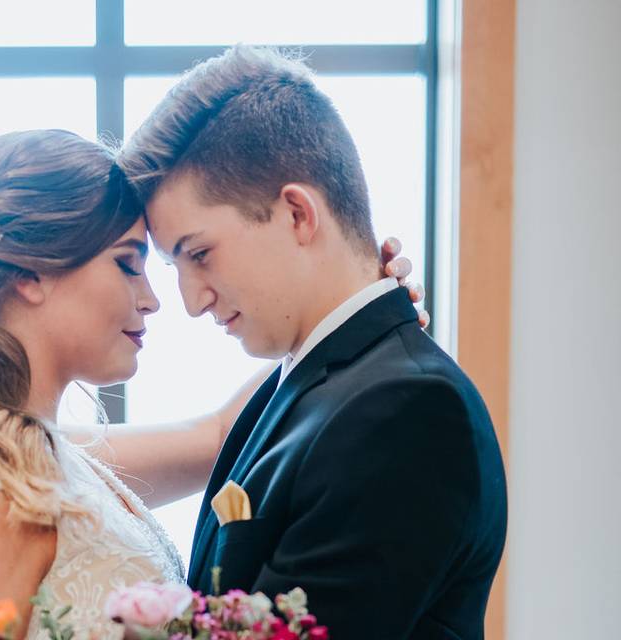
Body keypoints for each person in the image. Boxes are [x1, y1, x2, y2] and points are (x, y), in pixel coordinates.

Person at [0, 128, 424, 640]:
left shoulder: (47, 456)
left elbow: (222, 437)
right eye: (127, 264)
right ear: (30, 273)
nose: (153, 299)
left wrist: (355, 303)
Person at [118, 45, 507, 639]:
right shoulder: (308, 381)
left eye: (199, 254)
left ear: (297, 213)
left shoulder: (407, 411)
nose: (192, 301)